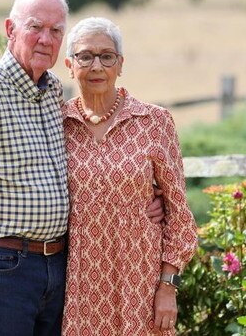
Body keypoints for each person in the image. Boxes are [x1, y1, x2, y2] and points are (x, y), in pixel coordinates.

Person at [0, 0, 164, 336]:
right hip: (4, 268)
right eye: (35, 27)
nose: (46, 38)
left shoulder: (53, 90)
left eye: (56, 30)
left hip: (59, 267)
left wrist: (145, 200)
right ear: (11, 30)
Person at [59, 17, 197, 335]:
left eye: (107, 56)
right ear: (69, 64)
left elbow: (179, 217)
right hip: (76, 289)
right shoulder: (55, 124)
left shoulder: (154, 121)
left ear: (120, 65)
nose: (97, 66)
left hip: (142, 285)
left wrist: (168, 287)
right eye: (85, 56)